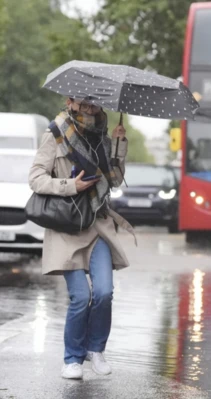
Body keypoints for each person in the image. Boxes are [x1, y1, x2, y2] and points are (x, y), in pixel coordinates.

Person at [29, 98, 134, 379]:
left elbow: (113, 179)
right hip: (67, 226)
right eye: (84, 103)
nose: (90, 107)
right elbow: (36, 178)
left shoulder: (102, 135)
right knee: (81, 296)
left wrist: (118, 145)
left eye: (95, 103)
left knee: (103, 292)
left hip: (97, 224)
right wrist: (69, 185)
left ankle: (95, 349)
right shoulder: (55, 132)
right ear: (70, 102)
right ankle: (72, 358)